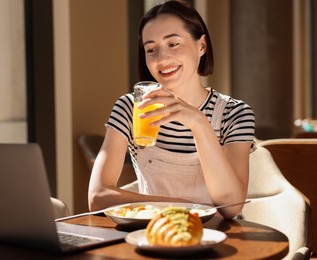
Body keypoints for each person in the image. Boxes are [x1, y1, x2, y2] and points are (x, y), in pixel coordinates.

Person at [88, 0, 255, 219]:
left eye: (173, 44)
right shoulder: (131, 108)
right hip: (152, 232)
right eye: (151, 49)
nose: (162, 58)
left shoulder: (235, 113)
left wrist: (198, 123)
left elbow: (231, 206)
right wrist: (183, 207)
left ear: (201, 46)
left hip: (218, 237)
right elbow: (98, 196)